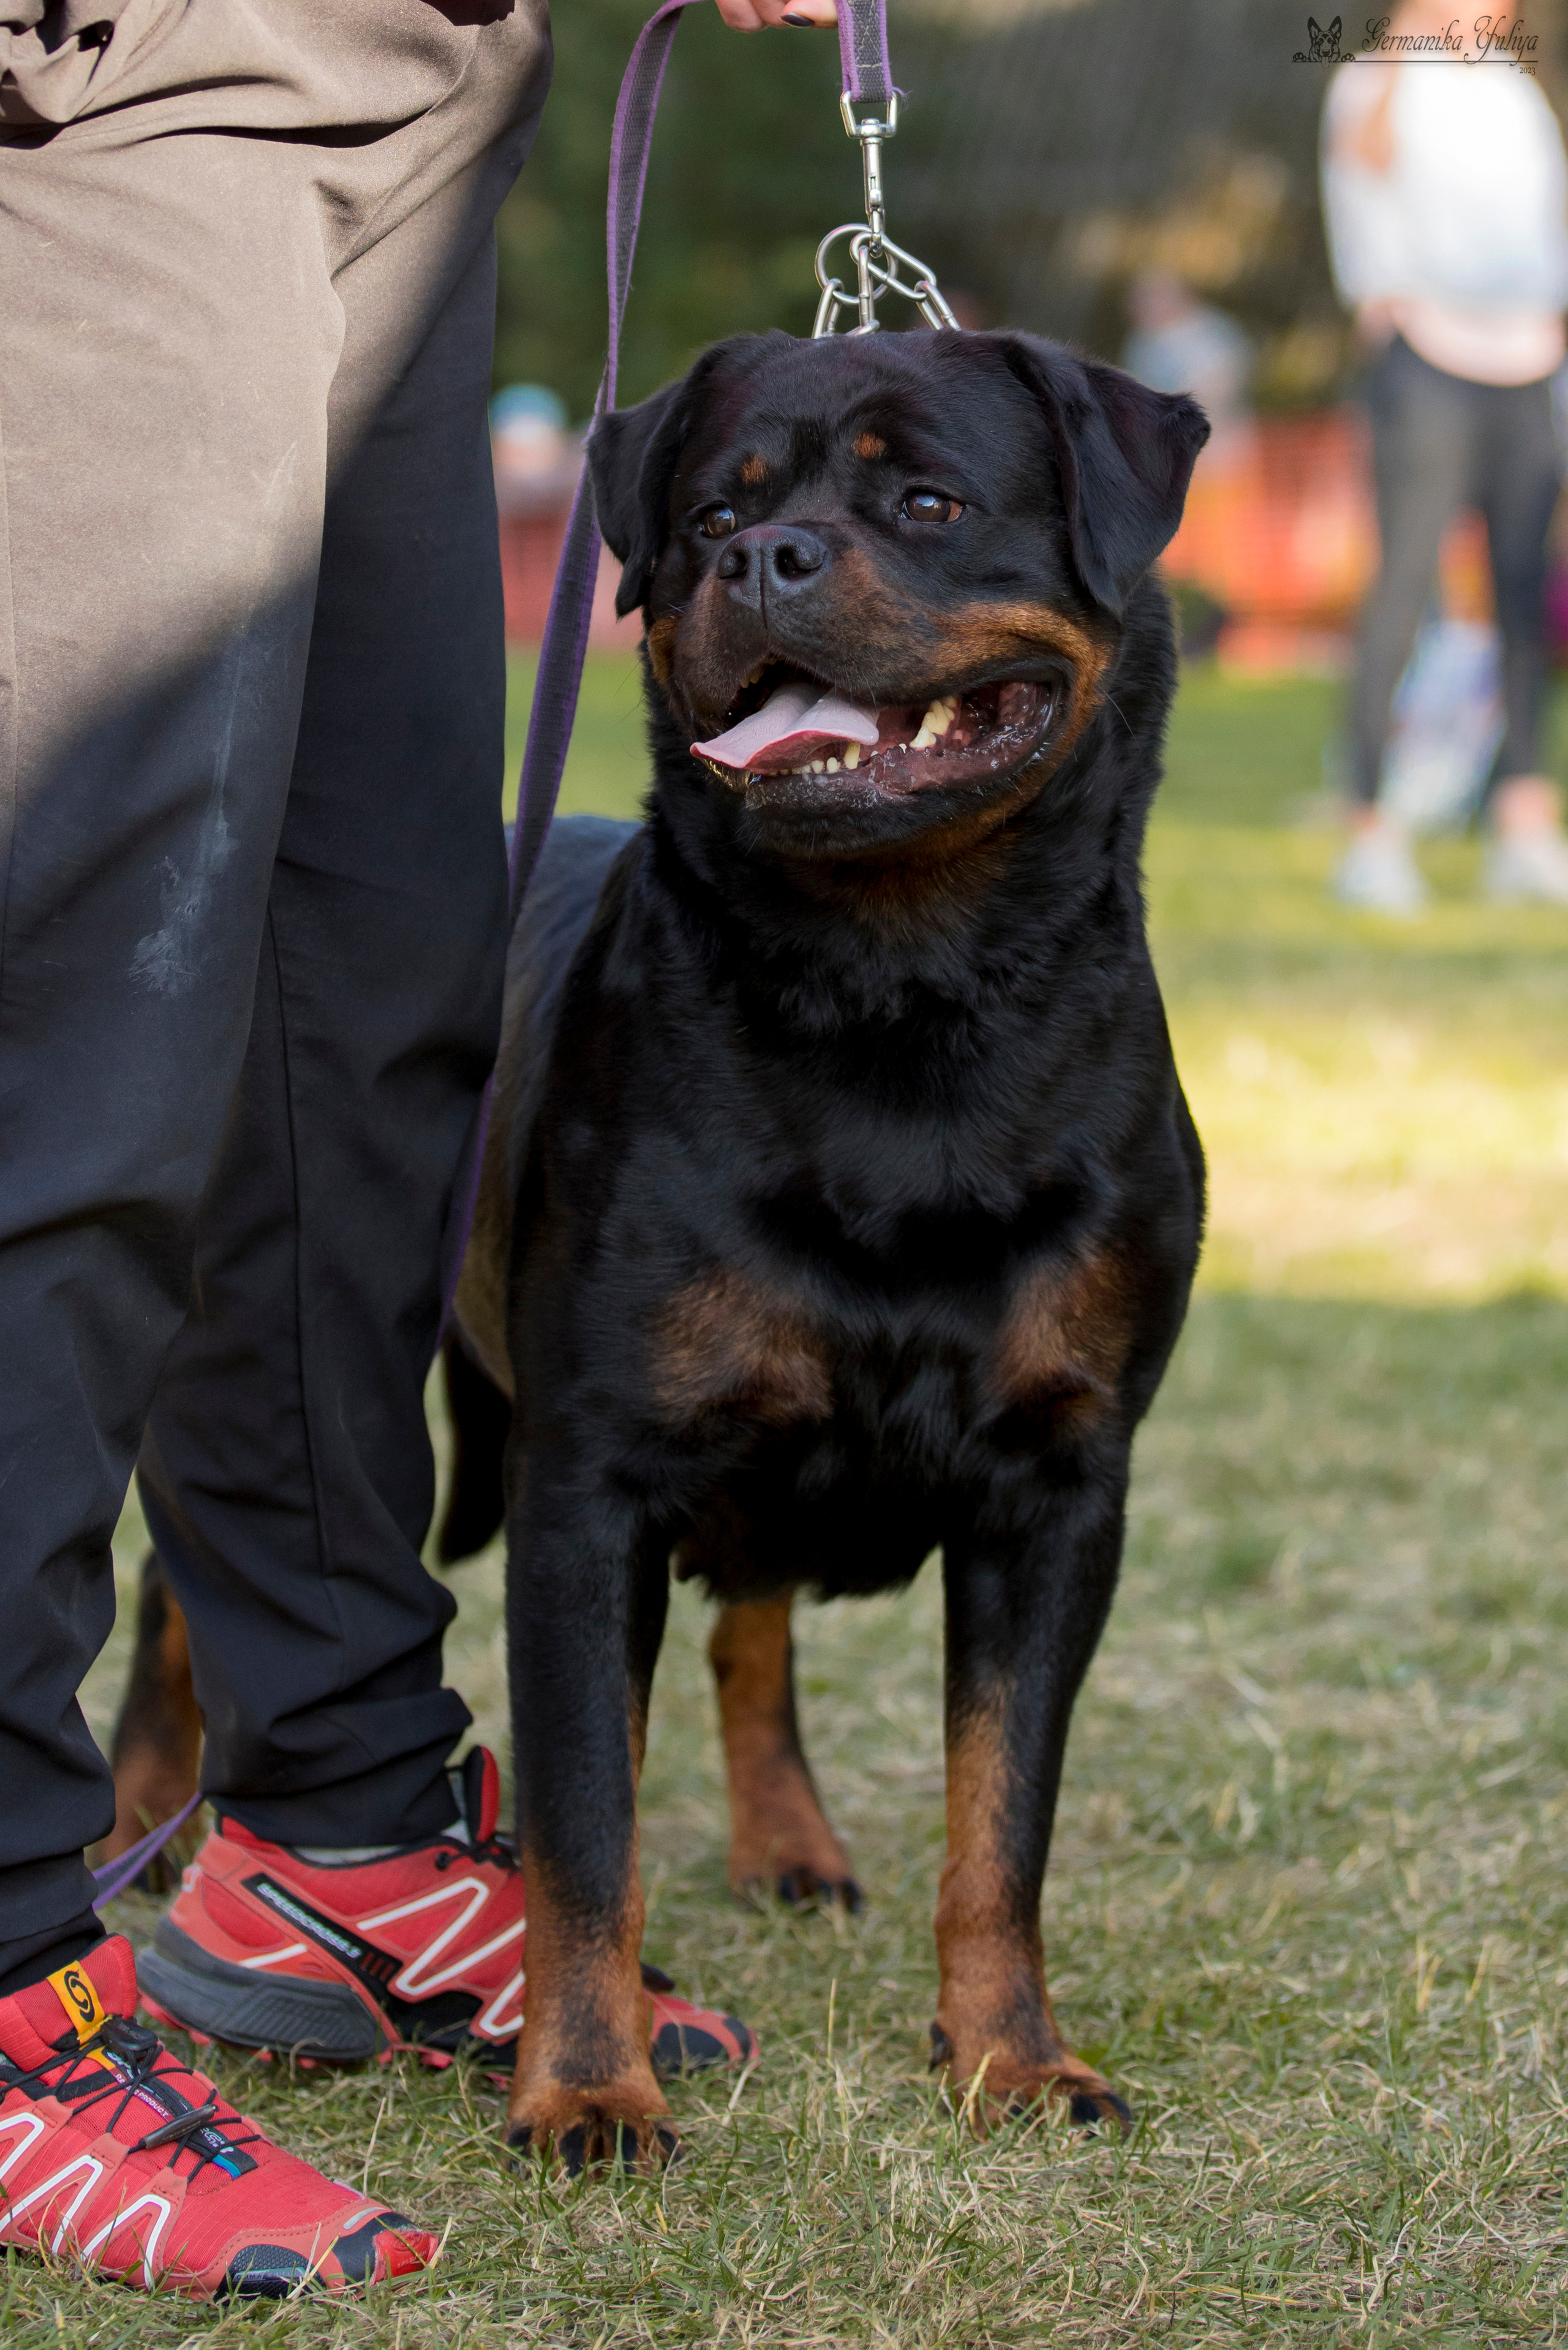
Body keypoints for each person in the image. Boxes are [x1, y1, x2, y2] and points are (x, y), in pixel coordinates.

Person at [0, 0, 830, 2300]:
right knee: (78, 1023)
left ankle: (341, 1809)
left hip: (424, 82)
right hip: (121, 80)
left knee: (366, 996)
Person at [1321, 0, 1568, 913]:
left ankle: (1525, 821)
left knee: (1523, 596)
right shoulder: (1374, 81)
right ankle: (1369, 830)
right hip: (1424, 357)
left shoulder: (1513, 93)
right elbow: (1366, 200)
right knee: (1404, 589)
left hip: (1527, 364)